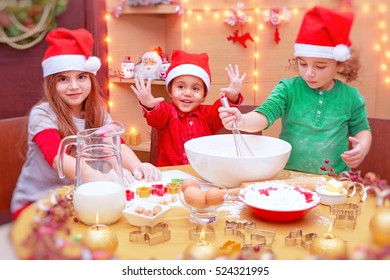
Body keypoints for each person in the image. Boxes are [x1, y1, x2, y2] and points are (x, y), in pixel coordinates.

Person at [11, 28, 161, 219]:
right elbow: (58, 158)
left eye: (81, 77)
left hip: (78, 197)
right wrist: (101, 178)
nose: (74, 86)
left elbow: (116, 145)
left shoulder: (98, 111)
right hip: (37, 203)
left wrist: (138, 166)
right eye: (63, 79)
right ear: (51, 84)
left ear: (90, 79)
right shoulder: (42, 114)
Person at [218, 6, 372, 175]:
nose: (309, 73)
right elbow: (264, 114)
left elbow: (362, 129)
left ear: (340, 65)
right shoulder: (287, 89)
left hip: (333, 179)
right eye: (303, 64)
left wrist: (362, 147)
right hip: (288, 174)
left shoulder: (351, 97)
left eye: (320, 66)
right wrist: (243, 121)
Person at [130, 49, 246, 166]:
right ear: (170, 90)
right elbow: (157, 115)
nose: (188, 93)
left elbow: (223, 111)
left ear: (204, 94)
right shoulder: (168, 112)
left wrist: (231, 96)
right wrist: (149, 104)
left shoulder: (209, 115)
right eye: (181, 87)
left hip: (204, 173)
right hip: (172, 175)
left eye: (195, 88)